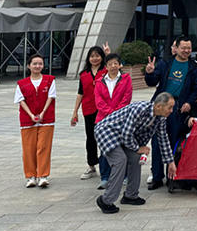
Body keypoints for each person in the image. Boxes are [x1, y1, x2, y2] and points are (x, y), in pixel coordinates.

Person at [94, 94, 177, 214]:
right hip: (107, 132)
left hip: (124, 137)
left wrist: (170, 162)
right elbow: (126, 134)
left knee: (135, 158)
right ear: (159, 106)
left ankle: (130, 195)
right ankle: (105, 201)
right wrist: (138, 148)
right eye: (170, 107)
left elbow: (163, 139)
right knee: (120, 160)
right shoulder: (139, 109)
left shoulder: (161, 118)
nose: (171, 111)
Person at [143, 35, 197, 190]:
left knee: (174, 143)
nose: (186, 50)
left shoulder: (194, 67)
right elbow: (152, 81)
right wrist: (149, 72)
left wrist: (189, 102)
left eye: (189, 48)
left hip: (179, 109)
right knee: (157, 142)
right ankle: (157, 177)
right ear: (177, 48)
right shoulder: (165, 63)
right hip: (161, 107)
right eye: (183, 47)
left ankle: (172, 177)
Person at [15, 54, 56, 188]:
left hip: (47, 119)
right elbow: (21, 101)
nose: (37, 66)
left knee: (43, 147)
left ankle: (43, 175)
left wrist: (42, 113)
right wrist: (31, 115)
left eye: (40, 63)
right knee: (28, 149)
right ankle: (31, 176)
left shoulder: (50, 80)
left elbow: (51, 97)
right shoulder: (22, 84)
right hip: (27, 120)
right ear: (29, 66)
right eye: (34, 63)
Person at [94, 54, 133, 190]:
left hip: (122, 120)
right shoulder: (99, 82)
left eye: (116, 63)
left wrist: (116, 114)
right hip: (103, 121)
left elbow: (126, 98)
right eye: (110, 64)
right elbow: (99, 102)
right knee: (105, 150)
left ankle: (124, 176)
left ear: (120, 65)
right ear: (106, 66)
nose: (113, 66)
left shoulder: (126, 79)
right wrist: (111, 113)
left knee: (122, 148)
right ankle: (105, 177)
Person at [71, 45, 107, 181]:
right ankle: (91, 166)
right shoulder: (83, 74)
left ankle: (107, 166)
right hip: (88, 110)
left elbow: (118, 70)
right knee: (91, 139)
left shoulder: (106, 71)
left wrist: (109, 55)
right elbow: (80, 93)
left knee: (105, 137)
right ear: (88, 58)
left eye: (97, 56)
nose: (95, 58)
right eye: (92, 56)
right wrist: (75, 111)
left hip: (104, 110)